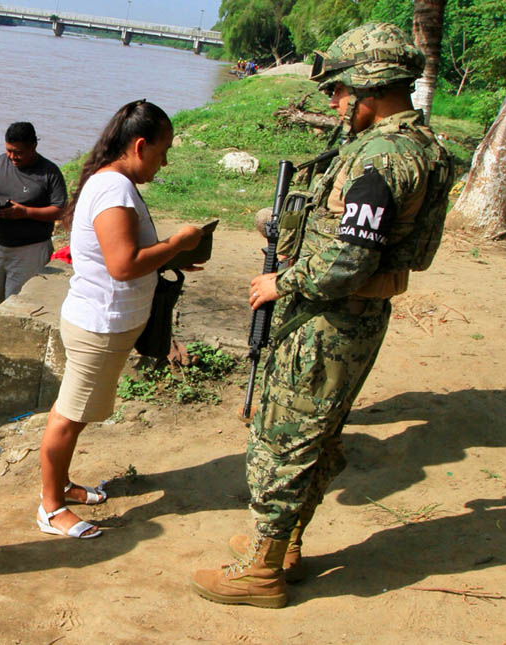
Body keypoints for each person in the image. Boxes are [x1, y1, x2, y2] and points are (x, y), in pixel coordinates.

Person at [191, 23, 453, 609]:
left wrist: (278, 281)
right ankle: (281, 546)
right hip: (352, 319)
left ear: (372, 86)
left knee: (283, 440)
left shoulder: (384, 158)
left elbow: (345, 263)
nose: (333, 103)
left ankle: (260, 571)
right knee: (315, 433)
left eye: (339, 91)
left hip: (325, 322)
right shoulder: (418, 146)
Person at [37, 101, 203, 540]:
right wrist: (179, 241)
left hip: (104, 320)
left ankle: (62, 485)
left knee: (73, 412)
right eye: (162, 152)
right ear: (140, 145)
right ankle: (51, 508)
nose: (164, 162)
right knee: (68, 417)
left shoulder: (112, 184)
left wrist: (172, 254)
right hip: (99, 324)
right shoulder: (113, 189)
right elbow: (124, 264)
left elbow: (126, 254)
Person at [0, 122, 68, 370]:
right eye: (9, 150)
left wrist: (26, 212)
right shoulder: (1, 162)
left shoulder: (49, 172)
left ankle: (12, 357)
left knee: (18, 305)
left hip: (29, 250)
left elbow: (60, 209)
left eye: (18, 152)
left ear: (33, 146)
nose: (12, 157)